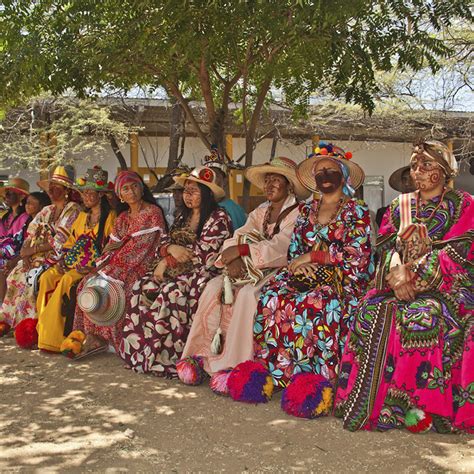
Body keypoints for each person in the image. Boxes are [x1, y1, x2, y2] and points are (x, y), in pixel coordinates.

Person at [336, 140, 473, 434]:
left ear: (445, 171)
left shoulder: (464, 204)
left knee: (424, 316)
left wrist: (413, 272)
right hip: (397, 282)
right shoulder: (399, 205)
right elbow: (386, 247)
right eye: (414, 165)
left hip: (445, 286)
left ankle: (417, 406)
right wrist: (397, 271)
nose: (418, 171)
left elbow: (461, 251)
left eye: (426, 165)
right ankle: (371, 402)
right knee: (368, 311)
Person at [253, 144, 374, 388]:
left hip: (344, 280)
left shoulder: (356, 210)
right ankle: (281, 375)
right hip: (305, 275)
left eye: (330, 170)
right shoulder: (306, 209)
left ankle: (320, 379)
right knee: (271, 296)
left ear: (343, 175)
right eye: (319, 172)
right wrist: (299, 266)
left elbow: (358, 255)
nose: (324, 176)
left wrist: (315, 258)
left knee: (319, 303)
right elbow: (295, 251)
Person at [181, 157, 312, 376]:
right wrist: (233, 258)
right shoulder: (262, 210)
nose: (269, 185)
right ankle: (201, 356)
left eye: (275, 180)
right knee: (214, 287)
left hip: (282, 268)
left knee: (248, 295)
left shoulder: (299, 213)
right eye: (266, 180)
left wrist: (243, 252)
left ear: (289, 185)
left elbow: (282, 246)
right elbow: (239, 234)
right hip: (250, 267)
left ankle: (237, 363)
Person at [120, 166, 232, 377]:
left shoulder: (218, 218)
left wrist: (166, 262)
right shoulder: (183, 216)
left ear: (207, 194)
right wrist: (169, 249)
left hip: (202, 272)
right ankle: (141, 353)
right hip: (175, 268)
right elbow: (165, 240)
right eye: (186, 190)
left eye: (194, 191)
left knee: (172, 292)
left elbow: (204, 255)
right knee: (141, 286)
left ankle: (169, 357)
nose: (187, 195)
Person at [72, 171, 166, 357]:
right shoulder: (122, 218)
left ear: (141, 187)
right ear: (120, 195)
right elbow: (110, 248)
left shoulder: (152, 212)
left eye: (134, 186)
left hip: (142, 263)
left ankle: (114, 340)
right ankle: (93, 336)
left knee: (115, 286)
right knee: (87, 283)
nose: (131, 191)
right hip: (118, 264)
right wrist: (99, 267)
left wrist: (114, 268)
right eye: (125, 188)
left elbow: (143, 246)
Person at [36, 167, 116, 352]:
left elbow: (110, 248)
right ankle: (42, 332)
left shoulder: (110, 218)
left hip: (90, 266)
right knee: (47, 277)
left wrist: (92, 268)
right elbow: (70, 242)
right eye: (84, 192)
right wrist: (63, 260)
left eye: (90, 192)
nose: (86, 196)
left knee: (66, 281)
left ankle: (55, 338)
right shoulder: (81, 216)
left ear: (101, 195)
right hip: (72, 262)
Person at [0, 166, 81, 329]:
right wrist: (24, 255)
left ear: (66, 190)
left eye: (57, 186)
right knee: (14, 276)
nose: (51, 189)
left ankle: (32, 326)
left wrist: (33, 251)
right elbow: (30, 234)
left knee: (33, 279)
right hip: (33, 256)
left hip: (57, 256)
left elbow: (60, 241)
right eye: (51, 185)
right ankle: (10, 322)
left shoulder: (72, 209)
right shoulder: (46, 209)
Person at [0, 191, 51, 305]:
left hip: (36, 257)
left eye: (30, 203)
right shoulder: (27, 221)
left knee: (8, 271)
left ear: (42, 206)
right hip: (20, 254)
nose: (27, 205)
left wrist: (19, 258)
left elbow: (50, 243)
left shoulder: (41, 221)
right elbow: (24, 244)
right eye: (27, 202)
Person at [202, 146, 247, 230]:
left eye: (216, 175)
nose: (212, 179)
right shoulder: (202, 207)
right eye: (209, 176)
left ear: (225, 181)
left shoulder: (235, 210)